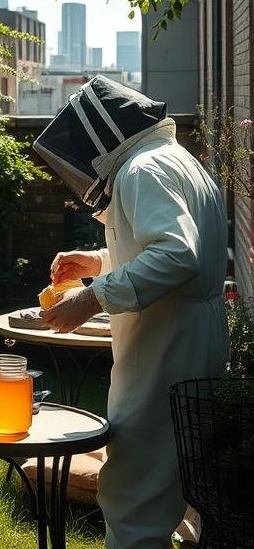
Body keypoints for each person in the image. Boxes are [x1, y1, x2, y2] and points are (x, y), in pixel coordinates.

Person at [32, 76, 229, 549]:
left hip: (165, 346)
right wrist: (97, 261)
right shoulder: (175, 160)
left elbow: (176, 257)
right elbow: (174, 248)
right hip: (191, 335)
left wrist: (93, 296)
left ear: (101, 136)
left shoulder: (143, 169)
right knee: (179, 479)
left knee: (134, 492)